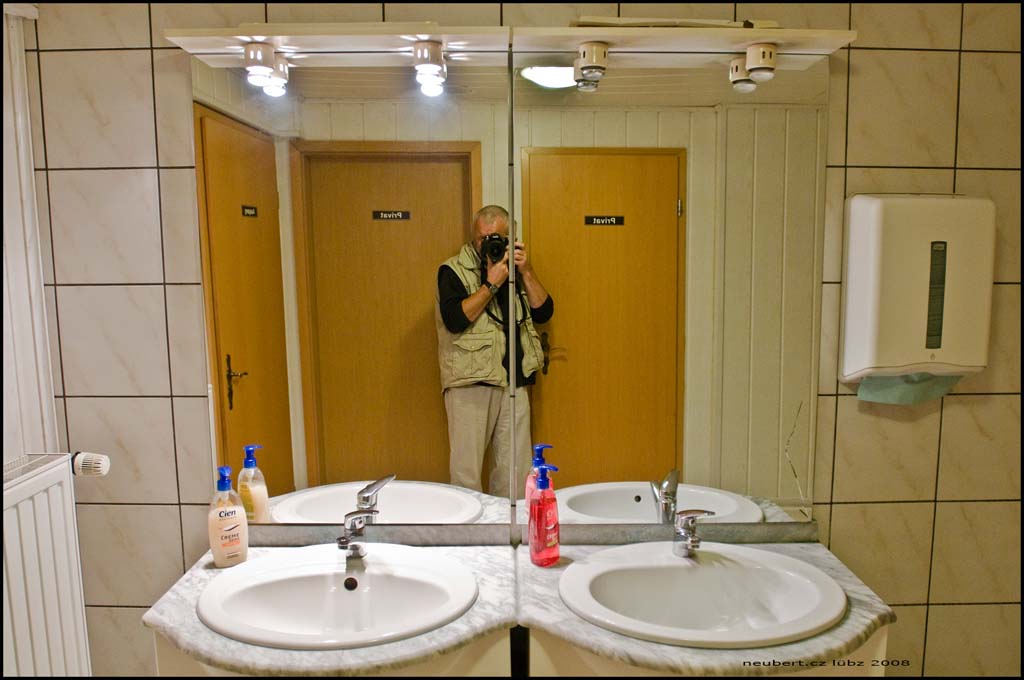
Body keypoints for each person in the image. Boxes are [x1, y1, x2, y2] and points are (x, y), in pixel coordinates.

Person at [435, 205, 554, 498]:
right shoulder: (452, 270)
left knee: (514, 474)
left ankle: (507, 527)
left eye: (496, 238)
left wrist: (526, 271)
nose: (488, 244)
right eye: (482, 238)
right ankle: (468, 528)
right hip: (470, 382)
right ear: (473, 237)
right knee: (466, 473)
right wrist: (491, 283)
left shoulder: (517, 269)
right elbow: (455, 319)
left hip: (514, 381)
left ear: (510, 238)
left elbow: (544, 311)